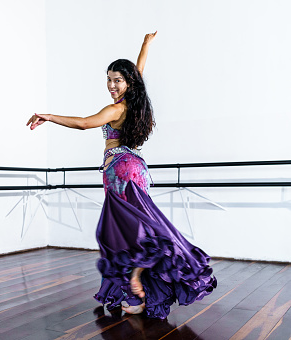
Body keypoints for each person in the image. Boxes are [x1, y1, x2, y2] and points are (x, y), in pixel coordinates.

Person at [26, 32, 216, 319]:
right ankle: (138, 288)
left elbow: (84, 123)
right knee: (139, 223)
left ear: (127, 84)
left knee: (120, 229)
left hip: (120, 169)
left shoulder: (116, 109)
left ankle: (135, 278)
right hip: (136, 167)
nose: (112, 85)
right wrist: (145, 46)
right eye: (109, 79)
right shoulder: (136, 101)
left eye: (117, 80)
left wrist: (49, 116)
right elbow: (139, 72)